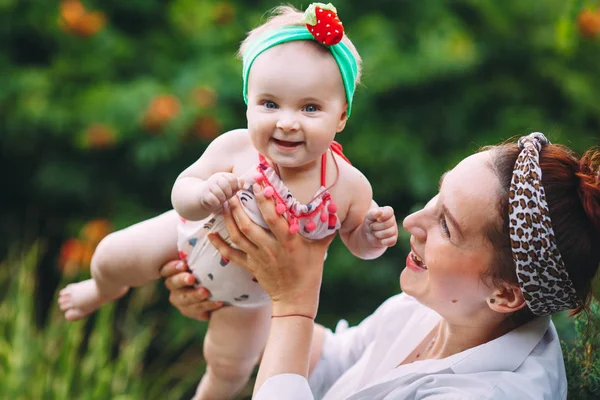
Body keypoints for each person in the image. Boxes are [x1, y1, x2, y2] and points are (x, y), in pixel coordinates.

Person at [58, 3, 398, 399]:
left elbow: (358, 244)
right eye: (270, 104)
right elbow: (182, 189)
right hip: (188, 237)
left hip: (253, 297)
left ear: (341, 117)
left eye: (310, 108)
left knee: (231, 366)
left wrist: (372, 236)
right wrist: (202, 194)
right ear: (248, 103)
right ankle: (102, 288)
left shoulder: (348, 186)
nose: (287, 121)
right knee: (112, 253)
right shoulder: (236, 147)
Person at [162, 132, 600, 399]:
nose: (413, 222)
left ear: (504, 293)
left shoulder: (494, 394)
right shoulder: (437, 308)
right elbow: (335, 363)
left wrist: (292, 303)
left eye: (446, 226)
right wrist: (240, 291)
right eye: (437, 196)